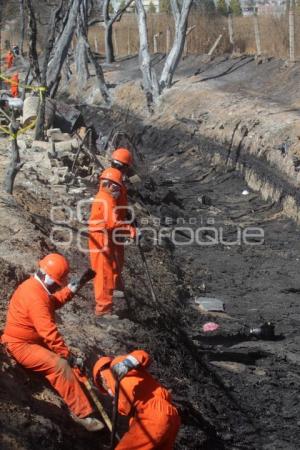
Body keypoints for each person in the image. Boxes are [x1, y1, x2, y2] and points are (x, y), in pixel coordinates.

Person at [1, 253, 104, 432]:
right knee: (60, 365)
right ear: (48, 277)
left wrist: (76, 286)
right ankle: (84, 415)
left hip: (32, 340)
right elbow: (48, 332)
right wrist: (67, 355)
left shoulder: (37, 288)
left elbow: (53, 302)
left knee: (71, 363)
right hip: (21, 345)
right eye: (57, 283)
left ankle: (87, 394)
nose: (58, 286)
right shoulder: (35, 297)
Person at [93, 349, 181, 449]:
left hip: (154, 414)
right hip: (170, 417)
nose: (106, 389)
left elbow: (142, 355)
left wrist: (126, 363)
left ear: (100, 377)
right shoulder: (120, 391)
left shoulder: (116, 365)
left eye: (102, 386)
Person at [89, 168, 136, 317]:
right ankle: (103, 311)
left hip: (101, 235)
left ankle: (105, 307)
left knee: (106, 271)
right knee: (104, 273)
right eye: (116, 187)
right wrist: (132, 231)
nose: (117, 191)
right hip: (101, 237)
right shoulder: (107, 199)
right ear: (109, 185)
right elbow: (113, 223)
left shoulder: (103, 196)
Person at [110, 148, 134, 292]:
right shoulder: (113, 182)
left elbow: (119, 203)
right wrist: (130, 229)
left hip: (117, 224)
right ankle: (112, 289)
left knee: (118, 258)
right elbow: (111, 210)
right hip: (113, 227)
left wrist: (127, 215)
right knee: (114, 259)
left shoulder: (115, 178)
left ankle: (116, 284)